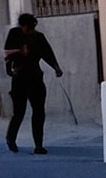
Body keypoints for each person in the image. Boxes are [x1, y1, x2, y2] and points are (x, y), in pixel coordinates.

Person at [4, 12, 63, 155]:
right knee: (19, 112)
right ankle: (11, 139)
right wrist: (11, 66)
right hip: (19, 78)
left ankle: (38, 145)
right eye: (27, 28)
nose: (29, 31)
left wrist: (56, 67)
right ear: (23, 26)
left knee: (39, 111)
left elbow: (47, 53)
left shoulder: (38, 37)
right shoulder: (14, 34)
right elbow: (7, 54)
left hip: (35, 77)